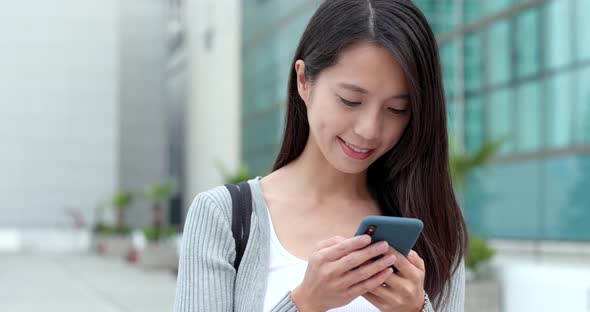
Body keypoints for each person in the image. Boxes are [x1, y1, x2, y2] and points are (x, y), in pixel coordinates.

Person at [174, 0, 467, 311]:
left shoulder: (435, 226)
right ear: (303, 80)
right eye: (350, 100)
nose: (369, 130)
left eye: (396, 109)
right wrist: (305, 303)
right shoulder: (223, 216)